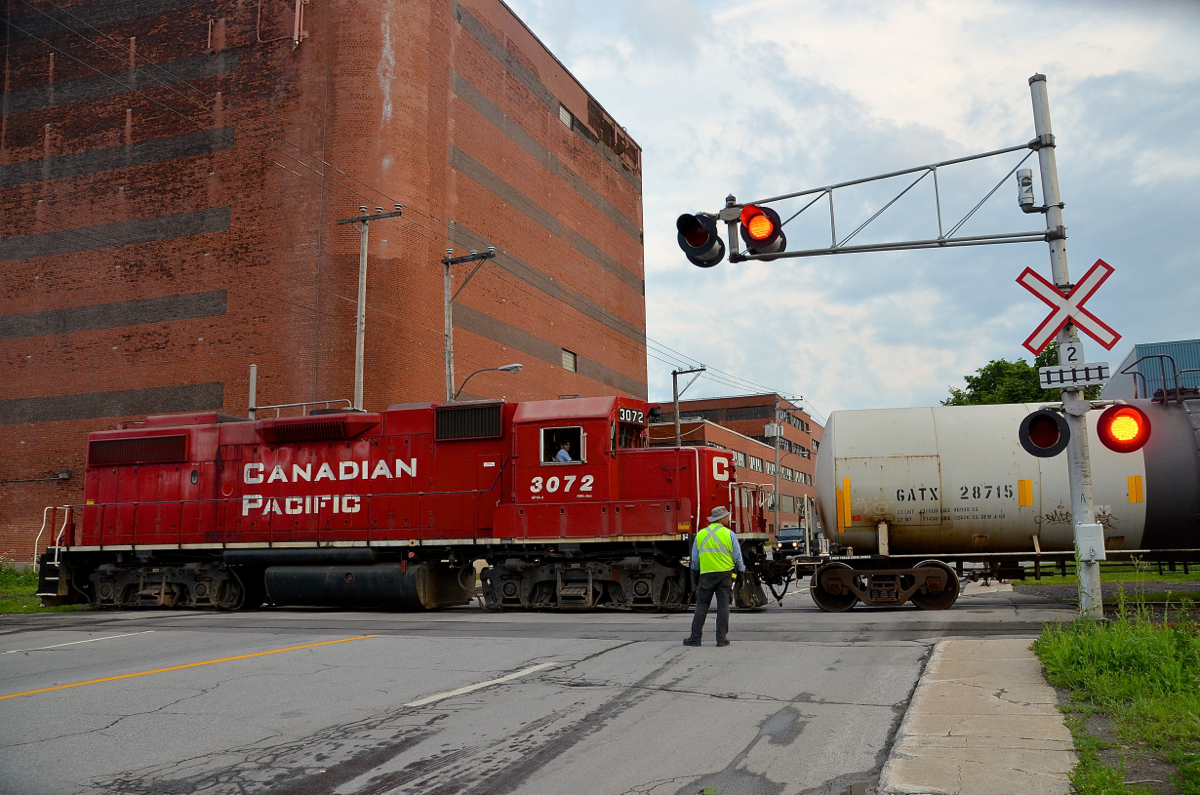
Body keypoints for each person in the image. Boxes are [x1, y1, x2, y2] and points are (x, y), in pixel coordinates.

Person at [683, 506, 744, 648]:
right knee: (723, 606)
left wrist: (696, 574)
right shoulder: (729, 534)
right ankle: (721, 640)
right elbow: (737, 557)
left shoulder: (700, 534)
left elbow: (695, 560)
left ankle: (695, 638)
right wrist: (740, 572)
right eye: (727, 517)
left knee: (701, 606)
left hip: (706, 575)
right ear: (721, 519)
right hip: (725, 575)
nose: (729, 519)